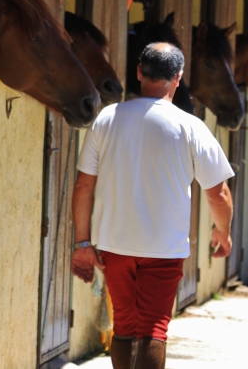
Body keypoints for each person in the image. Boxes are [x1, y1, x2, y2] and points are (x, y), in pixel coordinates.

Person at [70, 42, 234, 369]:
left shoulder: (106, 119)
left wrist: (83, 243)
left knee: (125, 327)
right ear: (179, 77)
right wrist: (223, 232)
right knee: (153, 330)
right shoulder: (191, 127)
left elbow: (83, 186)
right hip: (164, 247)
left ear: (139, 73)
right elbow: (218, 194)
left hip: (114, 245)